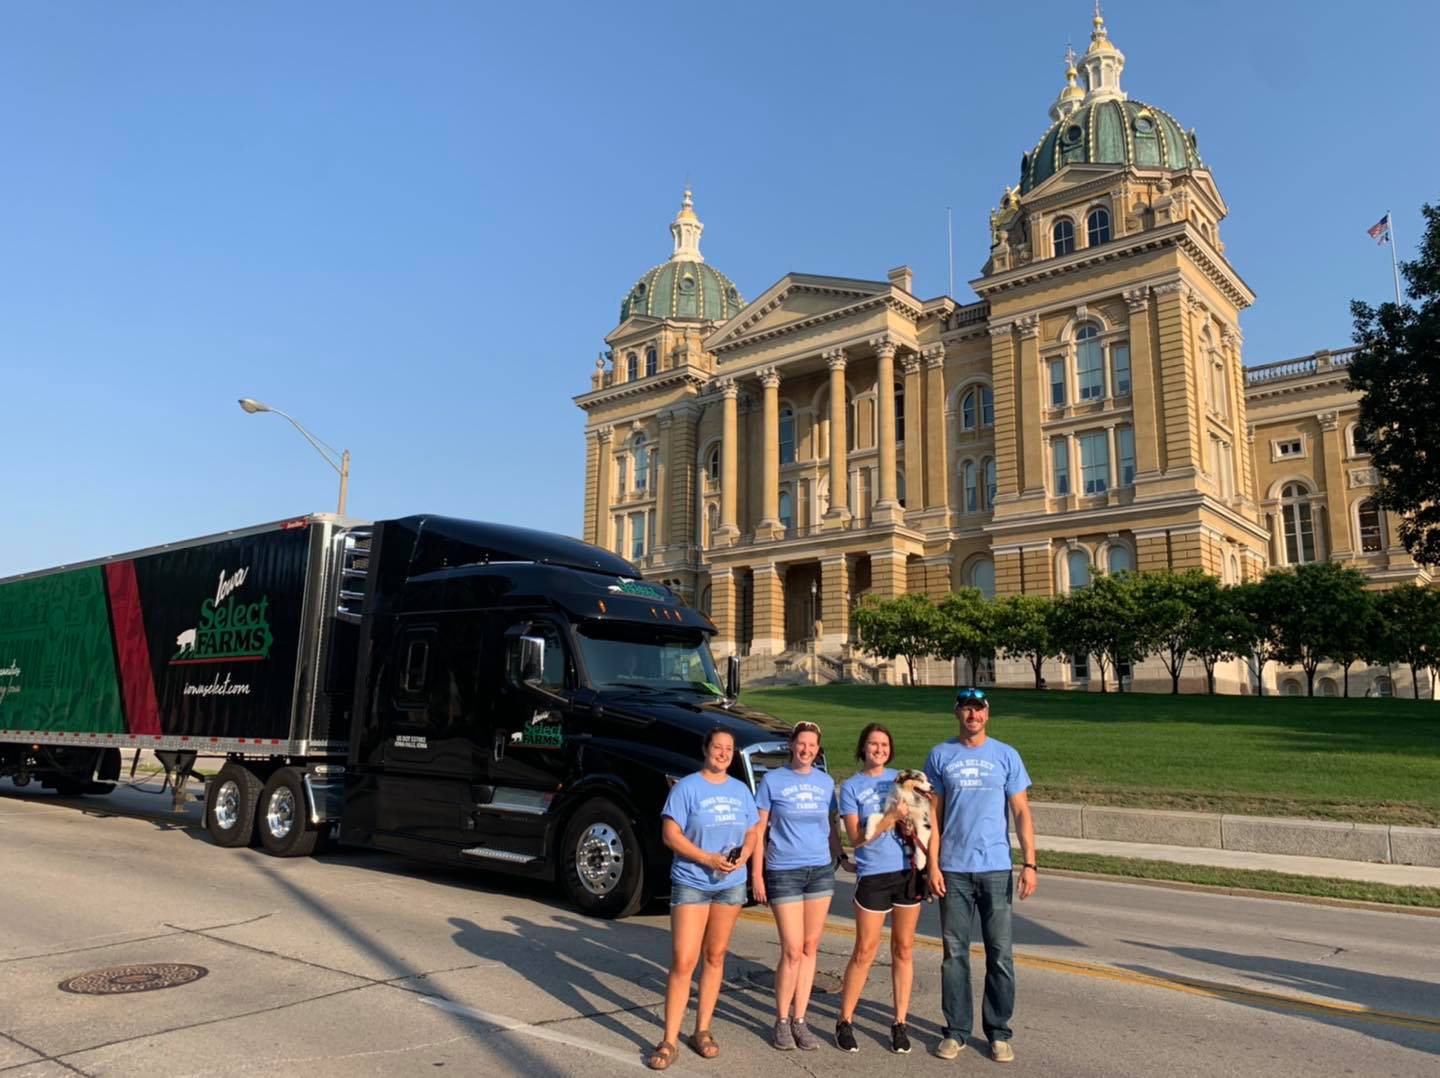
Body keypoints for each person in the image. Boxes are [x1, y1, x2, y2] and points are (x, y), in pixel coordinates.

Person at [924, 687, 1037, 1064]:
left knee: (1000, 954)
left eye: (978, 709)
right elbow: (933, 818)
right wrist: (933, 865)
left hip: (995, 868)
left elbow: (1021, 812)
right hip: (953, 870)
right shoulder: (940, 756)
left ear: (987, 714)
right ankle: (956, 1030)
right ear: (956, 713)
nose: (972, 715)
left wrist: (1030, 863)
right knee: (954, 954)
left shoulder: (1006, 755)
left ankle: (998, 1032)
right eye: (966, 709)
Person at [649, 727, 760, 1070]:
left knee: (715, 956)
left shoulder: (741, 790)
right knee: (684, 960)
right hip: (693, 881)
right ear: (705, 749)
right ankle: (669, 1039)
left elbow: (753, 831)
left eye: (729, 749)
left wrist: (743, 858)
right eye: (718, 747)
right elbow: (670, 834)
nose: (723, 753)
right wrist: (706, 859)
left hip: (730, 883)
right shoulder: (687, 788)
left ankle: (702, 1030)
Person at [752, 719, 843, 1051]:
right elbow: (759, 832)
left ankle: (800, 1020)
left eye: (812, 746)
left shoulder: (824, 782)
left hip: (819, 871)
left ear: (818, 751)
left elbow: (831, 825)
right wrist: (757, 875)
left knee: (809, 948)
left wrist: (841, 855)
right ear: (792, 745)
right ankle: (780, 1020)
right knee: (791, 950)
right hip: (783, 870)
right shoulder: (773, 781)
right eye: (801, 744)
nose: (806, 750)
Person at [835, 722, 920, 1054]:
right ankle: (845, 1020)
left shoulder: (901, 780)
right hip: (873, 874)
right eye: (873, 744)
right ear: (862, 748)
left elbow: (920, 821)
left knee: (904, 949)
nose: (879, 749)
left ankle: (900, 1023)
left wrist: (909, 820)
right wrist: (888, 818)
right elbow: (857, 837)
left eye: (884, 744)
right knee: (865, 951)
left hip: (906, 871)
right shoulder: (852, 787)